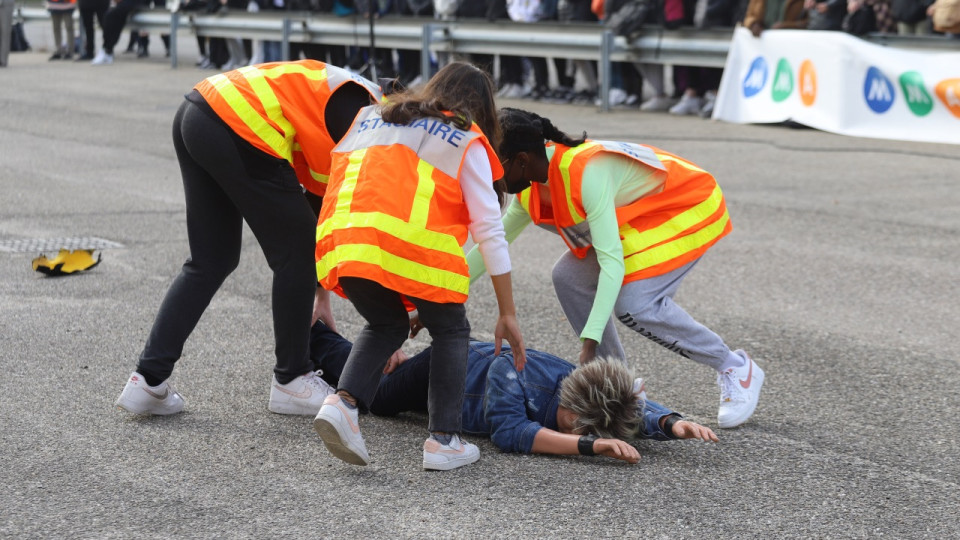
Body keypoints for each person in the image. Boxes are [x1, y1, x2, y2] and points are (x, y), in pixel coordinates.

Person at [114, 60, 384, 418]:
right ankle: (292, 379)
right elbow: (336, 224)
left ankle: (147, 380)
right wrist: (386, 330)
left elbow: (319, 207)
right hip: (238, 124)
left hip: (199, 110)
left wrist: (321, 297)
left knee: (211, 260)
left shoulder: (356, 97)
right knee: (296, 251)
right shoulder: (368, 118)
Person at [467, 107, 765, 429]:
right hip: (640, 220)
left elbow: (612, 263)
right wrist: (438, 299)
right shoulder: (531, 188)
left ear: (521, 160)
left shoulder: (586, 173)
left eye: (495, 167)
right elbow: (491, 244)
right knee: (567, 277)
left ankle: (735, 367)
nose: (490, 178)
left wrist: (589, 342)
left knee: (635, 305)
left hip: (688, 204)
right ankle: (625, 385)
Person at [312, 61, 526, 471]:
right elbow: (490, 233)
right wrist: (508, 313)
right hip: (405, 250)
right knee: (452, 330)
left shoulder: (372, 116)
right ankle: (444, 440)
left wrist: (410, 302)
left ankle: (343, 403)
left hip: (343, 239)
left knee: (386, 324)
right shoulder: (465, 136)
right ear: (483, 108)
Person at [308, 320, 719, 464]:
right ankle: (315, 336)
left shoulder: (581, 387)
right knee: (376, 398)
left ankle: (370, 353)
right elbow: (510, 433)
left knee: (378, 383)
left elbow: (629, 401)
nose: (579, 434)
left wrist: (671, 422)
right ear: (574, 413)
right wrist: (592, 448)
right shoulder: (516, 374)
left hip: (464, 366)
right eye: (580, 429)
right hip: (441, 371)